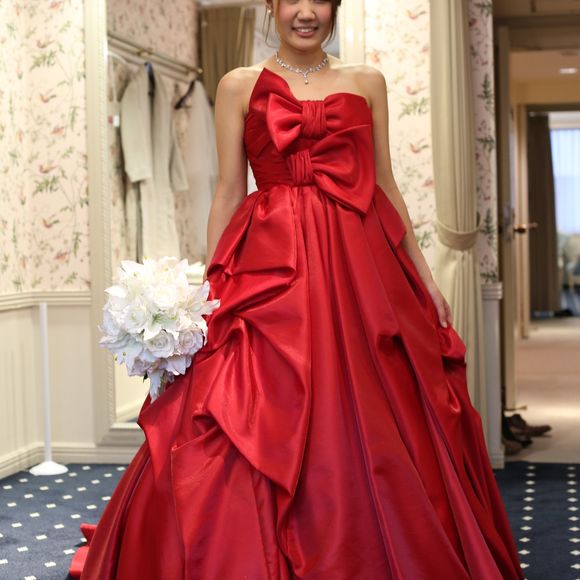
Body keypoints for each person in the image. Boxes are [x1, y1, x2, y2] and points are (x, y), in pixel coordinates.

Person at [74, 0, 525, 578]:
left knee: (374, 403)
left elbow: (385, 185)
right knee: (251, 401)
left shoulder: (367, 81)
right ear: (272, 6)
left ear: (335, 7)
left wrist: (423, 275)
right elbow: (228, 190)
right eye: (292, 0)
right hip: (271, 260)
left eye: (319, 0)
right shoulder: (238, 85)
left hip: (358, 263)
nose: (306, 12)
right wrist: (211, 287)